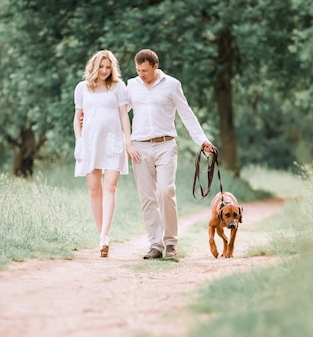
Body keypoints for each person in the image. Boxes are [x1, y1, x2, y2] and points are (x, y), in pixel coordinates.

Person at [126, 49, 216, 259]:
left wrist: (202, 140)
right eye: (138, 70)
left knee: (166, 191)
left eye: (145, 70)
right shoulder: (131, 86)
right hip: (140, 147)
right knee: (147, 198)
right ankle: (155, 245)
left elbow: (186, 113)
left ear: (155, 66)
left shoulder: (172, 85)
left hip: (165, 145)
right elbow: (120, 112)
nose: (141, 74)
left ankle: (171, 243)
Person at [73, 50, 135, 258]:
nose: (105, 71)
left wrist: (128, 141)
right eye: (101, 67)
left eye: (108, 67)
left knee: (110, 186)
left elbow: (124, 117)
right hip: (90, 142)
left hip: (113, 141)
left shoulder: (118, 87)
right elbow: (77, 117)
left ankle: (104, 237)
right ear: (94, 66)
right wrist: (79, 141)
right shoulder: (82, 88)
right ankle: (101, 234)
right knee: (94, 188)